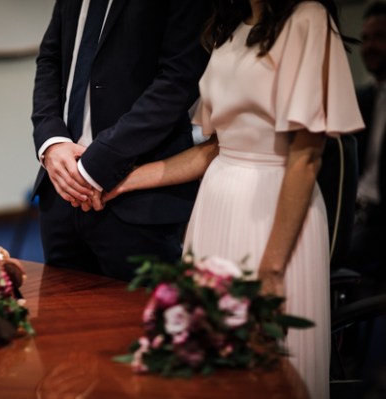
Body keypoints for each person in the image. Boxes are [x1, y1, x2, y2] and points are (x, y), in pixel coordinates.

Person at [98, 1, 364, 397]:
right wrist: (123, 182)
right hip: (215, 208)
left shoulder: (308, 18)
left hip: (274, 214)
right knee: (204, 363)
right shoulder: (229, 27)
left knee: (267, 366)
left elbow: (306, 157)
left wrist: (272, 271)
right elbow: (216, 149)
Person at [31, 1, 210, 281]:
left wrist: (95, 166)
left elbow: (178, 80)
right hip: (61, 192)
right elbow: (50, 58)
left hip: (138, 200)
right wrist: (51, 140)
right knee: (61, 320)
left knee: (141, 322)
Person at [350, 1, 386, 286]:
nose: (370, 46)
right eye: (366, 39)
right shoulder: (361, 98)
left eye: (380, 37)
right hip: (357, 208)